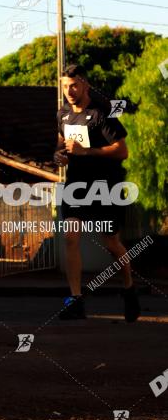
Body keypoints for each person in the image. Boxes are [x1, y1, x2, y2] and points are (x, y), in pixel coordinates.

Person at [54, 63, 140, 322]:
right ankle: (76, 301)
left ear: (85, 85)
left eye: (74, 85)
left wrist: (87, 152)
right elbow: (60, 145)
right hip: (76, 185)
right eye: (65, 86)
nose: (70, 90)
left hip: (106, 186)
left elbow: (122, 151)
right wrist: (59, 155)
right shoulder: (63, 115)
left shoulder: (103, 114)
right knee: (70, 236)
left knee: (111, 243)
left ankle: (129, 289)